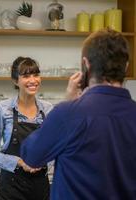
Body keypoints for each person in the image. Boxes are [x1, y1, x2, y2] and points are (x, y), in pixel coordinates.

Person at [21, 29, 136, 200]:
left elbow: (31, 156)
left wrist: (68, 102)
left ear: (86, 64)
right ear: (126, 66)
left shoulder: (68, 114)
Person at [0, 56, 53, 200]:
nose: (33, 80)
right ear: (15, 81)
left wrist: (46, 162)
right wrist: (19, 162)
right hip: (11, 190)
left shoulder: (48, 110)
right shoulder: (3, 109)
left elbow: (54, 148)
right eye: (26, 76)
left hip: (40, 189)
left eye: (36, 75)